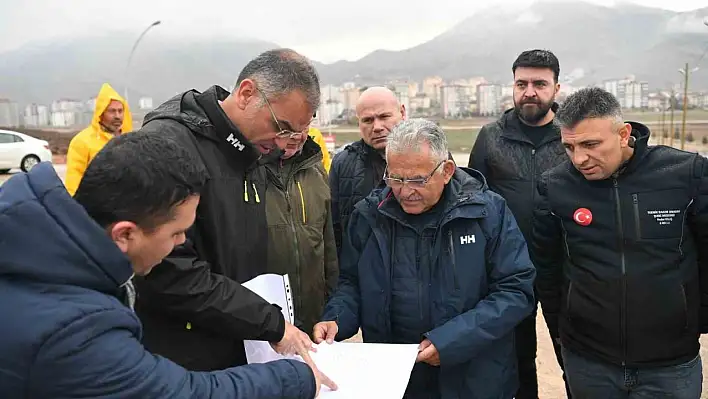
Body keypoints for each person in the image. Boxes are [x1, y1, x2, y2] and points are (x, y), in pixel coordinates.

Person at [0, 132, 334, 398]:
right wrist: (295, 378)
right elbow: (182, 393)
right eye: (177, 234)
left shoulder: (32, 255)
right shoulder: (77, 330)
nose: (181, 245)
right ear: (125, 234)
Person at [314, 118, 536, 398]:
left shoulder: (487, 213)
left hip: (474, 378)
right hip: (397, 377)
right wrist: (336, 318)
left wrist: (451, 341)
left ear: (446, 171)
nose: (405, 191)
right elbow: (352, 282)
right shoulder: (369, 216)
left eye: (418, 180)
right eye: (395, 178)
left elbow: (515, 291)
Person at [133, 48, 324, 371]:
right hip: (186, 361)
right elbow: (171, 273)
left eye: (293, 133)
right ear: (247, 93)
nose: (282, 142)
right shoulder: (168, 146)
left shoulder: (253, 152)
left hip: (240, 347)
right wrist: (267, 322)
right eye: (281, 126)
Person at [530, 87, 707, 398]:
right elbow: (547, 270)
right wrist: (563, 334)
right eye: (569, 147)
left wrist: (693, 321)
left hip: (670, 365)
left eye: (590, 144)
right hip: (589, 363)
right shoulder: (554, 187)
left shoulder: (685, 174)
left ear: (624, 134)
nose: (580, 159)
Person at [467, 49, 568, 399]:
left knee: (575, 356)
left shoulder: (570, 136)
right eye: (521, 83)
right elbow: (472, 201)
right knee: (518, 358)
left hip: (566, 269)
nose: (530, 91)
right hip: (509, 271)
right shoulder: (490, 137)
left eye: (540, 84)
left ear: (557, 88)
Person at [262, 130, 338, 335]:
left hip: (315, 321)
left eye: (303, 127)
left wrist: (333, 309)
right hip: (265, 325)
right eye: (288, 128)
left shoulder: (316, 169)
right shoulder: (245, 172)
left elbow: (328, 246)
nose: (298, 136)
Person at [329, 86, 406, 256]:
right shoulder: (342, 163)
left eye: (384, 117)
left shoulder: (431, 157)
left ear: (402, 112)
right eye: (368, 120)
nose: (377, 127)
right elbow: (333, 231)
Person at [64, 82, 133, 195]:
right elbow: (74, 183)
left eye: (120, 111)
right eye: (112, 111)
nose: (117, 116)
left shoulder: (130, 140)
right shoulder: (82, 142)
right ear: (101, 113)